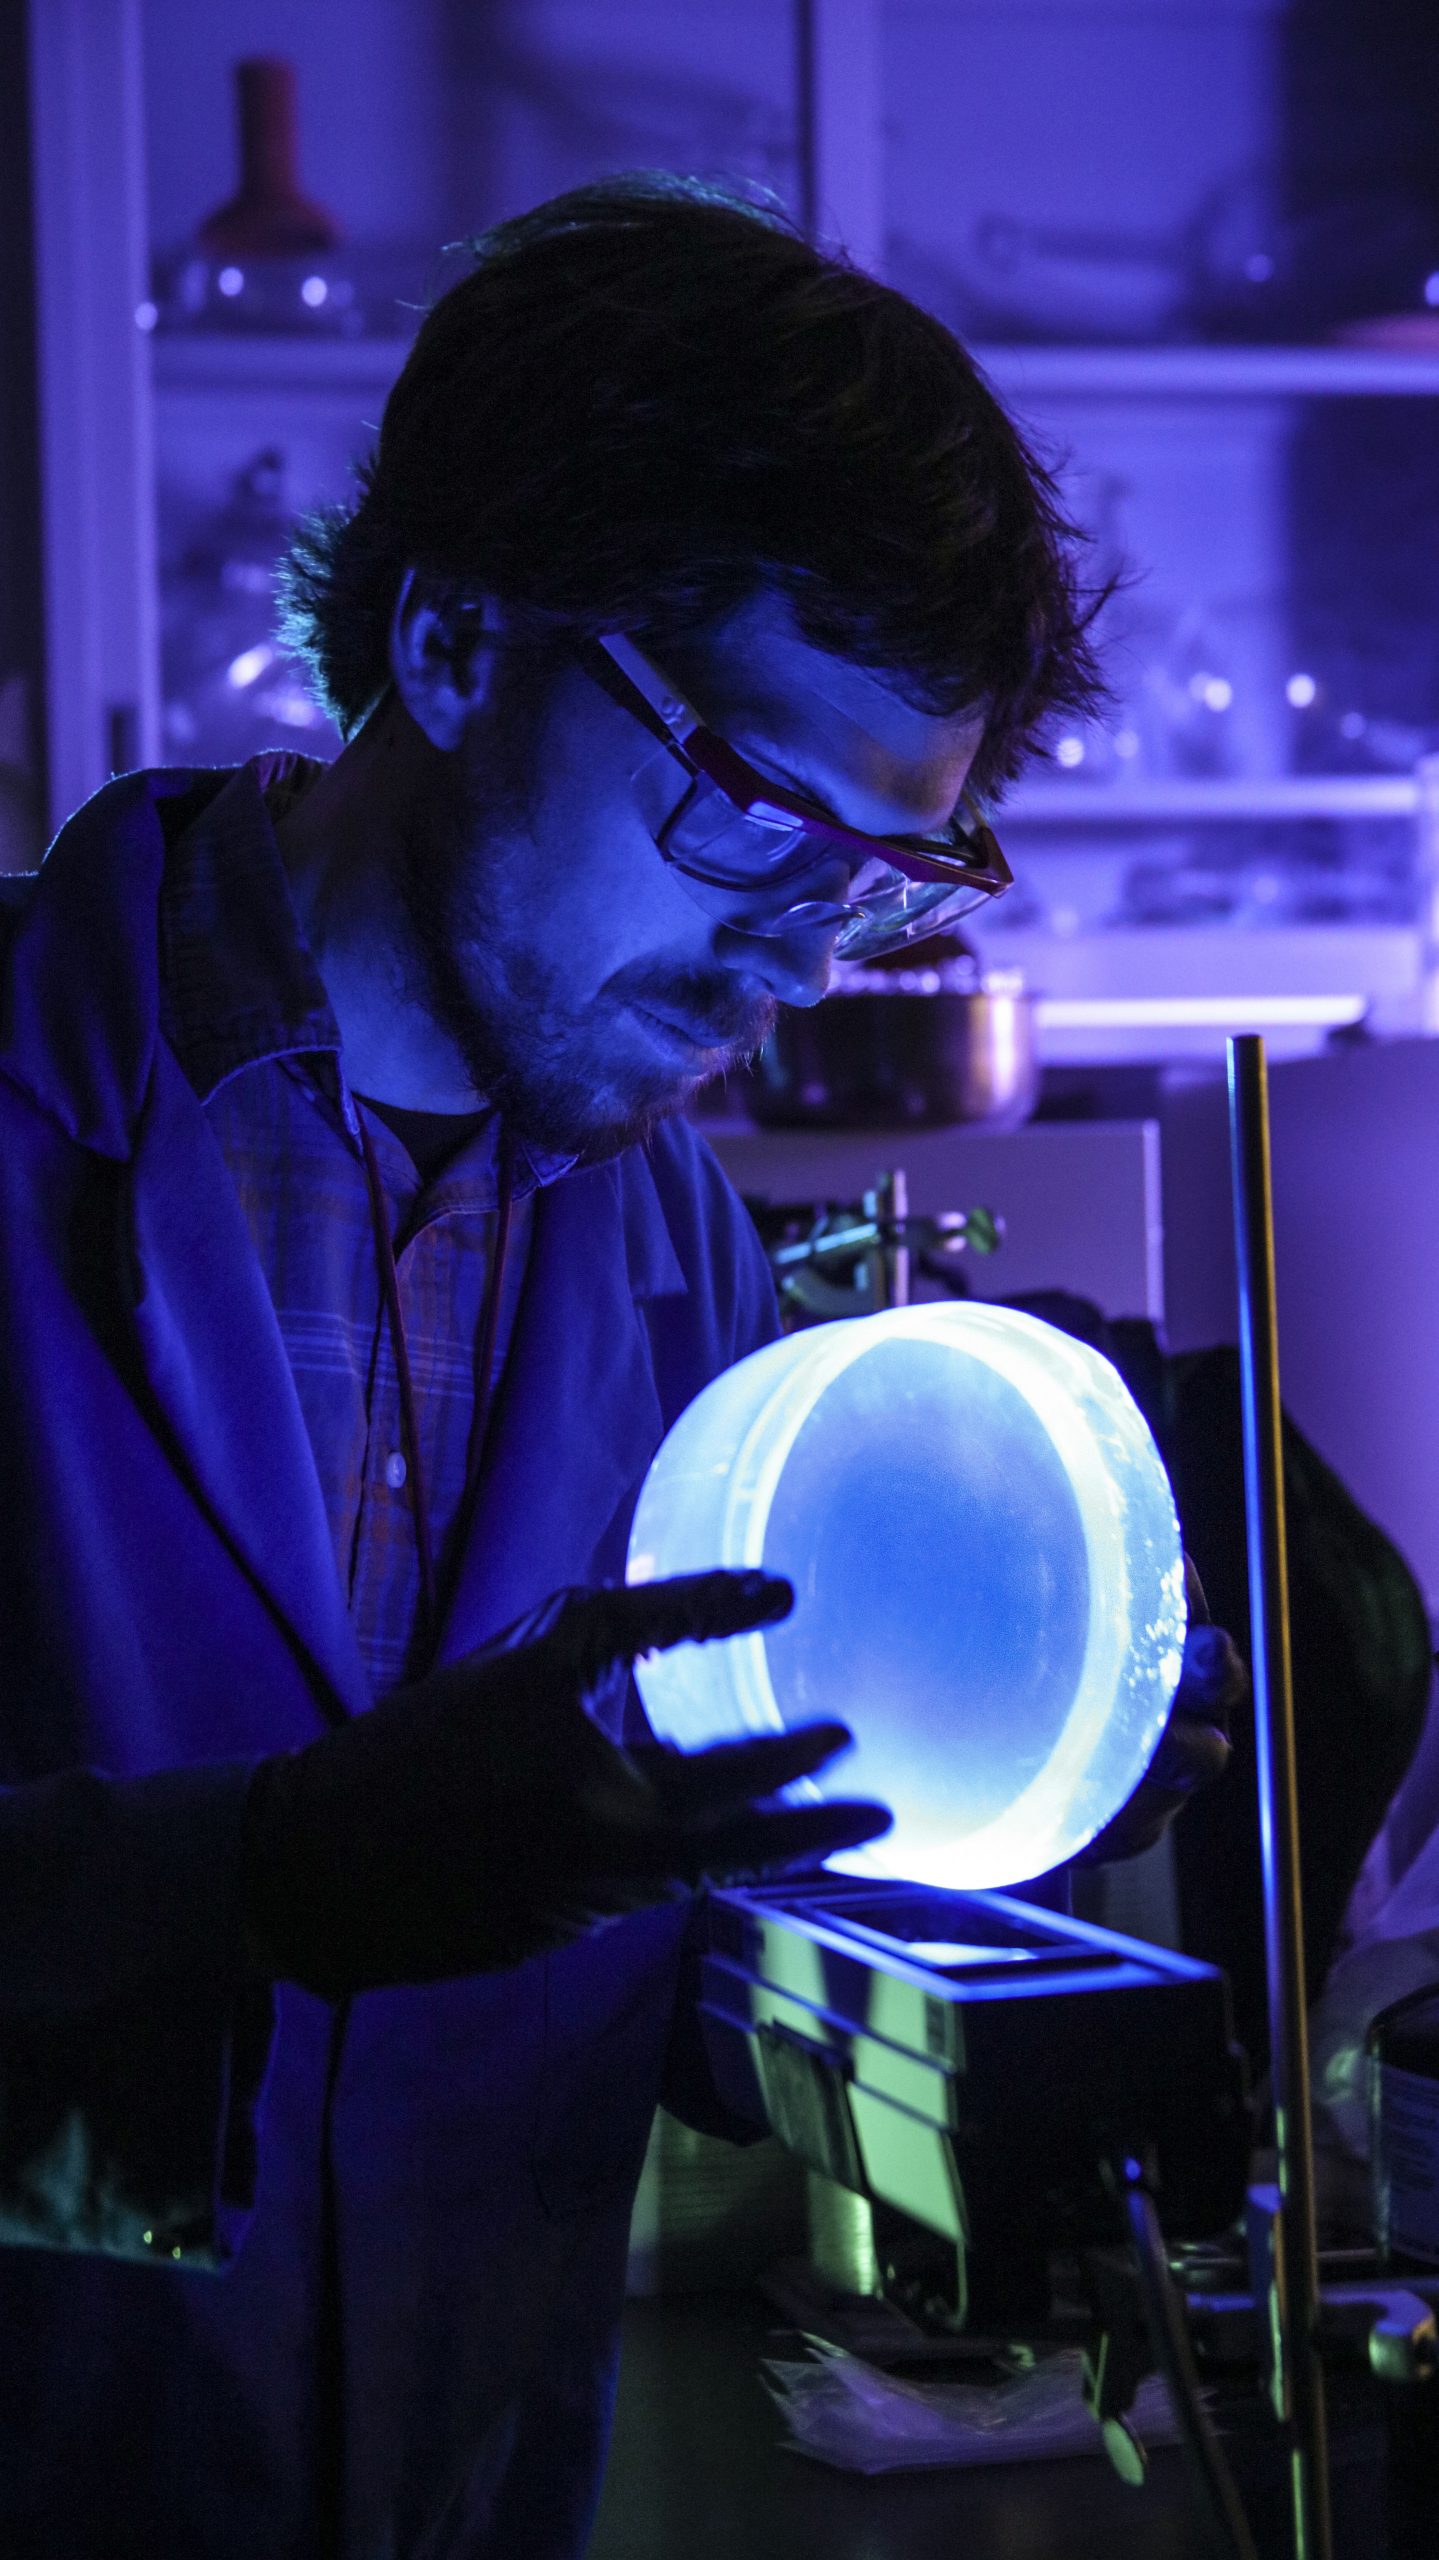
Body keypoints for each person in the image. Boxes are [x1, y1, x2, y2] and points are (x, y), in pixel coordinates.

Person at [0, 175, 1234, 2558]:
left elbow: (639, 1980)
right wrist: (265, 1871)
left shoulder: (675, 1257)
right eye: (753, 805)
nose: (799, 947)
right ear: (458, 644)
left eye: (886, 871)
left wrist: (983, 1779)